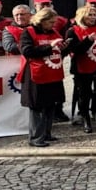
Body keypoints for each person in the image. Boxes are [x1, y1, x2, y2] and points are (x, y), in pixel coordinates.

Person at [19, 8, 66, 147]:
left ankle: (47, 134)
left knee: (51, 105)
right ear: (42, 21)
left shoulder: (54, 32)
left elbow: (58, 52)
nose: (53, 25)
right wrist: (49, 47)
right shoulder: (29, 32)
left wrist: (64, 47)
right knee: (37, 107)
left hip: (53, 73)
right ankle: (35, 137)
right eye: (51, 22)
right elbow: (27, 51)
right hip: (36, 75)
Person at [65, 5, 96, 133]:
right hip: (82, 68)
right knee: (84, 95)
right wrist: (88, 41)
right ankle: (86, 120)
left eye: (94, 14)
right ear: (82, 15)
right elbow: (74, 50)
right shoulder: (73, 30)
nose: (92, 17)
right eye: (90, 14)